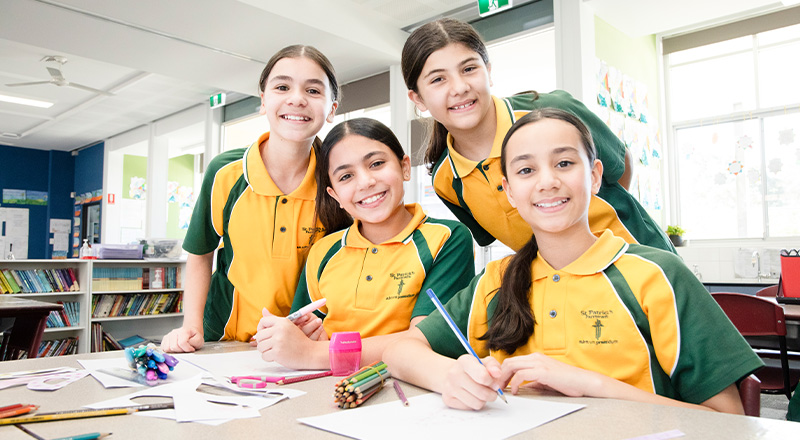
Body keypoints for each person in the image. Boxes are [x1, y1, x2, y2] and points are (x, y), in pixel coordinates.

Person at [383, 108, 763, 413]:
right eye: (526, 170)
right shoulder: (496, 279)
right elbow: (400, 351)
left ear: (595, 176)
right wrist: (451, 375)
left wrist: (592, 385)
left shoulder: (657, 275)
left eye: (564, 163)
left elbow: (727, 418)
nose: (547, 182)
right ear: (510, 192)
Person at [402, 18, 673, 253]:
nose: (459, 87)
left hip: (641, 259)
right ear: (418, 98)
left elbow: (620, 166)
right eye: (438, 79)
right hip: (570, 293)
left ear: (489, 71)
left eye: (469, 69)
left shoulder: (552, 112)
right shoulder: (446, 180)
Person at [255, 118, 475, 369]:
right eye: (346, 176)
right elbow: (307, 334)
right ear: (334, 194)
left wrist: (313, 353)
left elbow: (426, 338)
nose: (365, 182)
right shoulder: (323, 251)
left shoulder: (447, 238)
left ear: (405, 167)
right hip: (329, 387)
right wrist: (297, 339)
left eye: (377, 163)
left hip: (412, 386)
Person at [161, 45, 339, 352]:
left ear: (332, 108)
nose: (297, 98)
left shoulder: (339, 180)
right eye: (282, 87)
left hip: (300, 343)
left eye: (312, 90)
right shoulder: (225, 173)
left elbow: (342, 268)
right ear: (263, 101)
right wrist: (191, 326)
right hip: (224, 336)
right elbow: (200, 255)